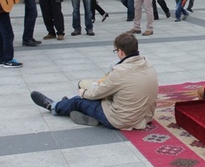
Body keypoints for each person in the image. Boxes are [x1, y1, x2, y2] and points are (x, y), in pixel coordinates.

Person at [30, 33, 158, 129]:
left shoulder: (120, 71)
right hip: (145, 116)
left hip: (122, 120)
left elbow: (98, 93)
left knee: (78, 100)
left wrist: (83, 93)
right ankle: (86, 114)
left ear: (121, 51)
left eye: (116, 51)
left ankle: (54, 106)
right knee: (97, 94)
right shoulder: (147, 63)